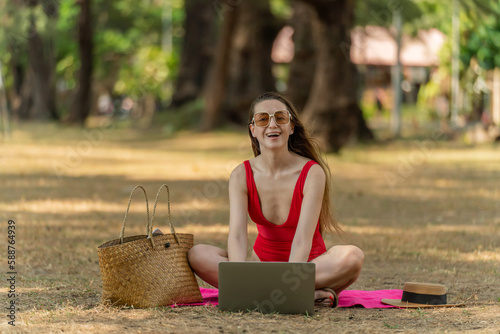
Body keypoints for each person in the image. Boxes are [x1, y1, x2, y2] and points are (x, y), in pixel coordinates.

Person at [187, 92, 364, 307]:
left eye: (280, 118)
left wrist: (290, 279)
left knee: (353, 257)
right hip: (261, 265)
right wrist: (237, 275)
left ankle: (260, 291)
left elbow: (302, 239)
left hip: (305, 267)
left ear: (291, 127)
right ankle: (303, 293)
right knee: (198, 254)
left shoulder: (312, 173)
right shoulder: (241, 174)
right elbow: (237, 236)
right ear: (253, 130)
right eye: (263, 119)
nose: (272, 124)